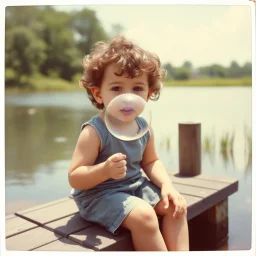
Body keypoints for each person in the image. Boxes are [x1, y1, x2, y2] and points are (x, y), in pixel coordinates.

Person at [68, 36, 189, 251]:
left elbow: (151, 161)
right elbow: (75, 177)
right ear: (98, 93)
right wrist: (104, 170)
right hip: (99, 195)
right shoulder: (94, 131)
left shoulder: (143, 126)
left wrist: (167, 185)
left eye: (137, 89)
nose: (127, 98)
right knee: (145, 215)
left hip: (135, 187)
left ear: (149, 94)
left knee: (175, 207)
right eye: (116, 89)